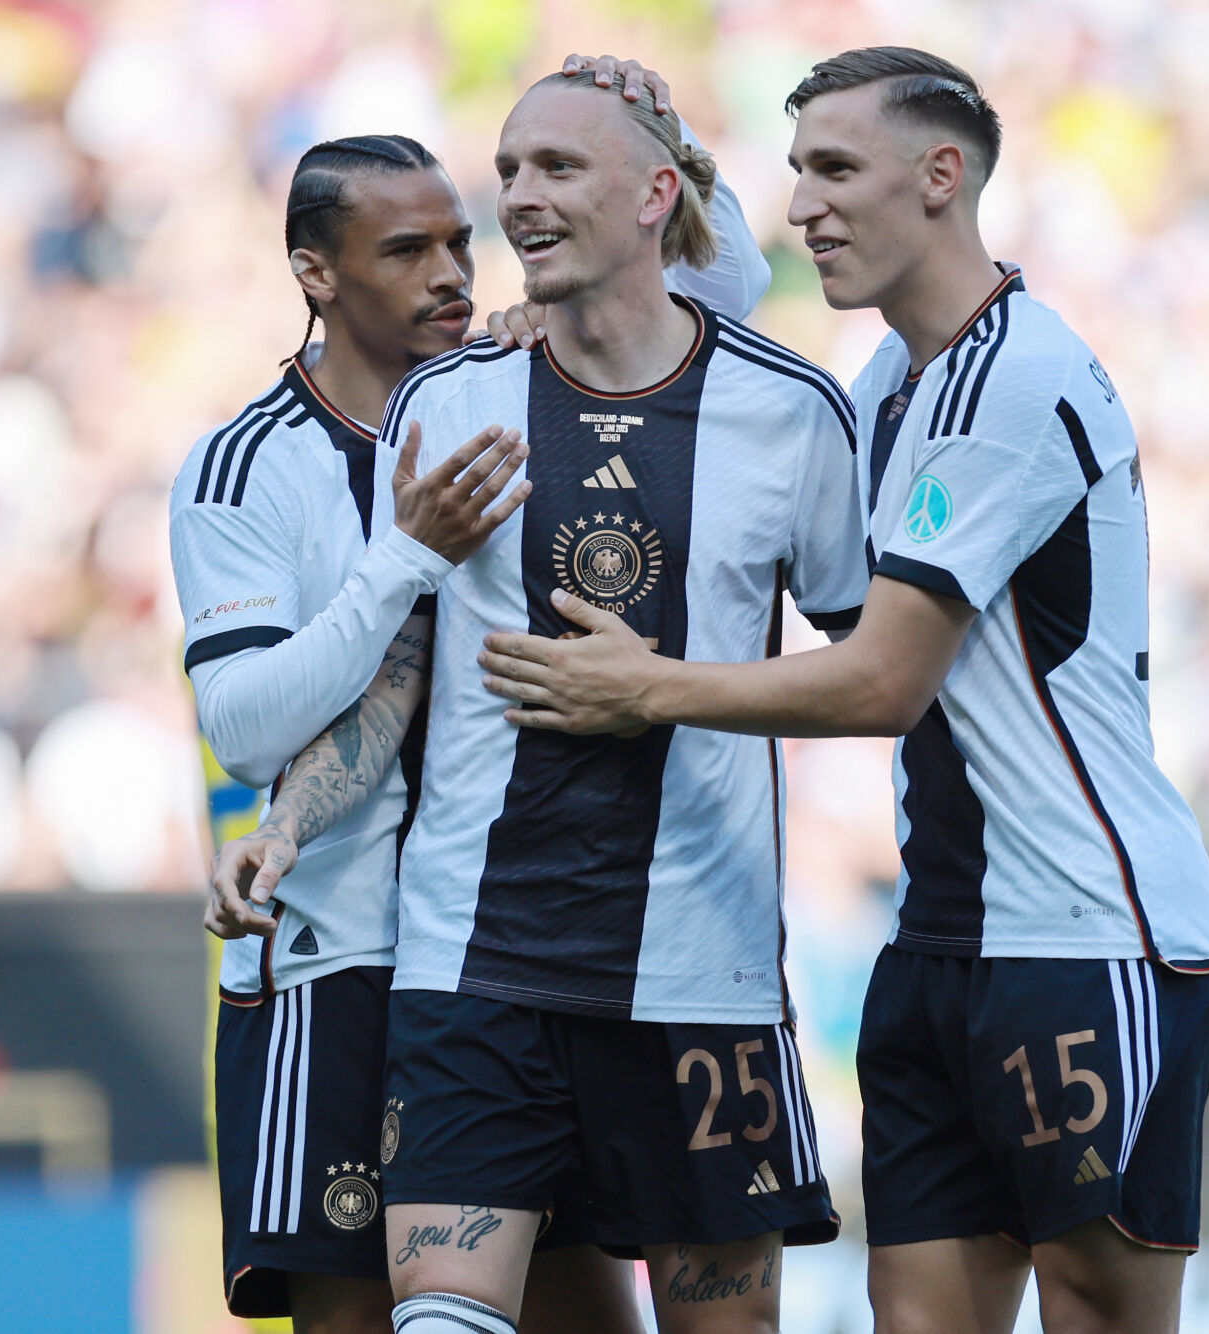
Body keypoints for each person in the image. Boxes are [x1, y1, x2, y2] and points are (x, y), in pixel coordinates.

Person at [474, 47, 1209, 1334]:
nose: (802, 206)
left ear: (938, 176)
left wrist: (646, 688)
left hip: (1083, 929)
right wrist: (633, 185)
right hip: (939, 933)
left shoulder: (1010, 379)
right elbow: (690, 304)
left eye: (833, 170)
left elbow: (883, 677)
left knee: (1099, 1312)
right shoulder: (887, 380)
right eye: (793, 172)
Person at [220, 68, 862, 1334]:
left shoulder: (791, 412)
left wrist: (659, 691)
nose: (517, 196)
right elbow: (404, 661)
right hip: (472, 963)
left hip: (702, 970)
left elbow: (871, 668)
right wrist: (287, 824)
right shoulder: (449, 399)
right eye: (508, 169)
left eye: (558, 167)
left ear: (656, 194)